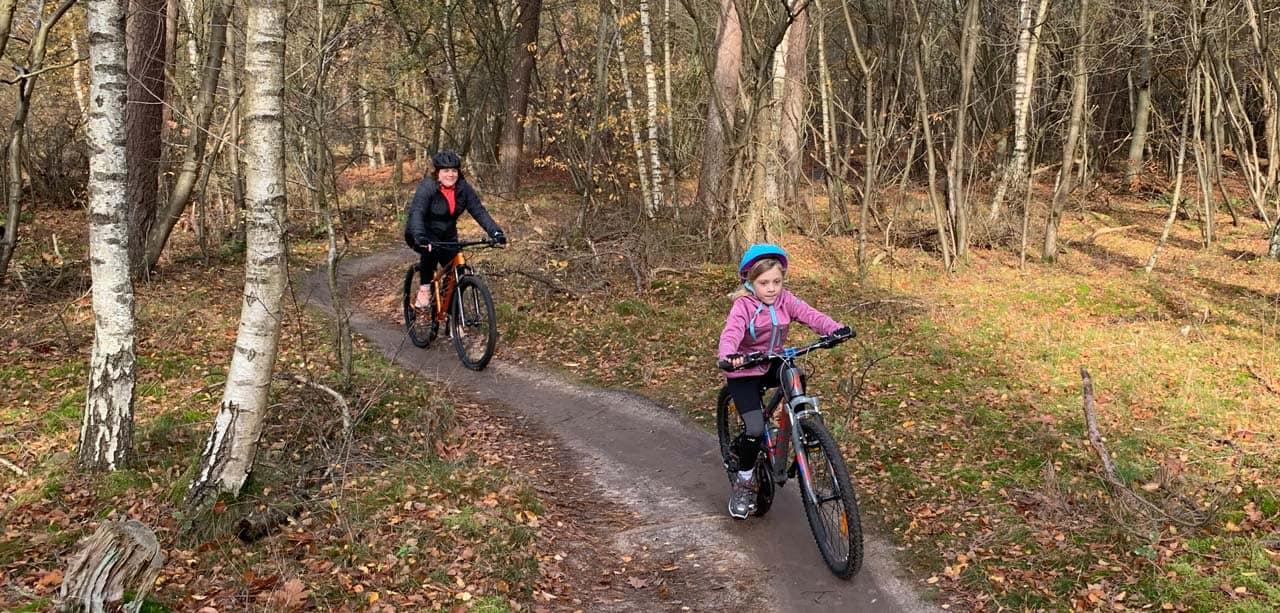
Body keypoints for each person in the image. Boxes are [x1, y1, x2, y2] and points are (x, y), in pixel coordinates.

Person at [716, 243, 852, 519]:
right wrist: (729, 356)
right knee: (754, 429)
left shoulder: (785, 300)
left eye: (777, 281)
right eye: (764, 282)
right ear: (749, 282)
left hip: (772, 361)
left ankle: (800, 423)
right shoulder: (743, 306)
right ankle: (744, 481)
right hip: (744, 370)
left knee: (795, 373)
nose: (771, 288)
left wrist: (835, 329)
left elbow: (811, 315)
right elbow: (731, 333)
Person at [404, 150, 507, 307]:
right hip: (422, 230)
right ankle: (424, 289)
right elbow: (416, 212)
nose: (450, 175)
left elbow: (479, 211)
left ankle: (452, 317)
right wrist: (420, 236)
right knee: (430, 250)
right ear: (437, 172)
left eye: (454, 170)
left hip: (448, 233)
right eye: (446, 171)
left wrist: (495, 232)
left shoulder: (462, 188)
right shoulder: (428, 186)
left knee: (457, 271)